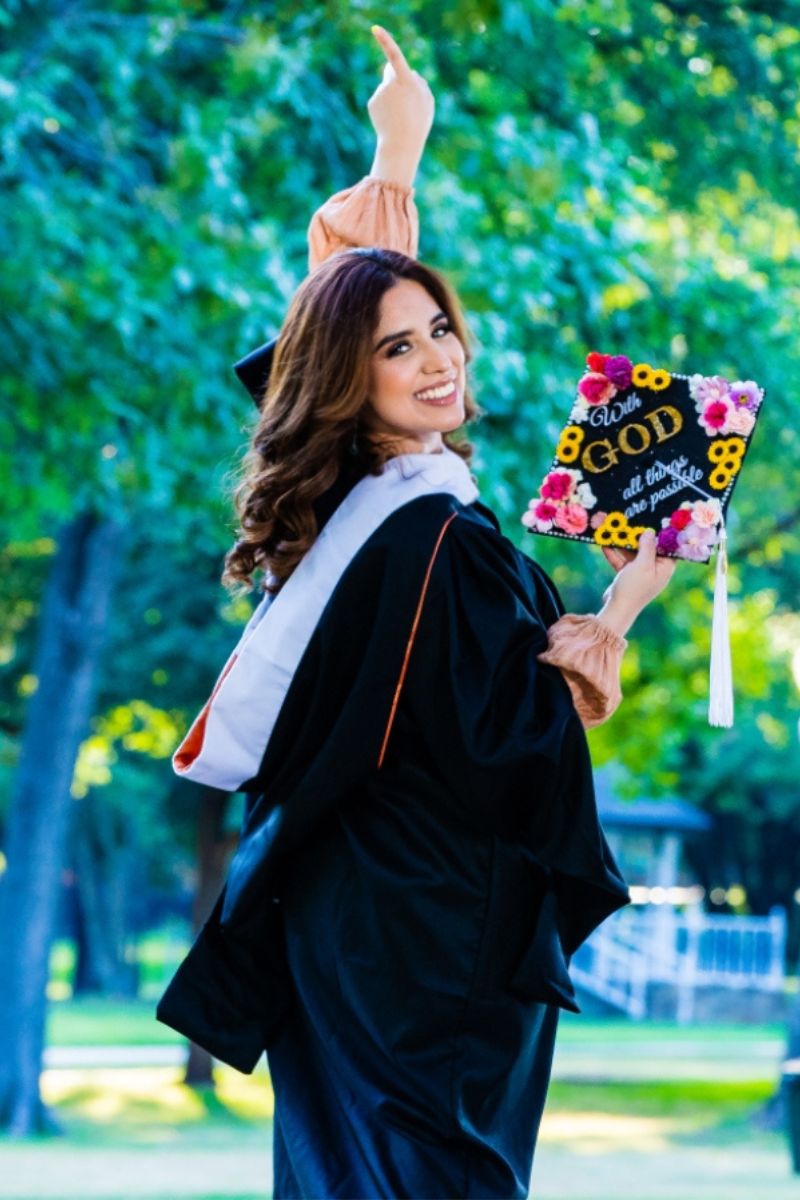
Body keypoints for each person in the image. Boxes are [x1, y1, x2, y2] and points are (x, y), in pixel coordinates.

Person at [157, 26, 676, 1199]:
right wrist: (620, 602)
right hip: (429, 936)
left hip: (340, 923)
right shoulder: (440, 540)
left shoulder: (365, 515)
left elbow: (303, 354)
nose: (437, 357)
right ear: (355, 381)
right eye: (397, 348)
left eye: (437, 325)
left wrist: (396, 162)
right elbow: (512, 751)